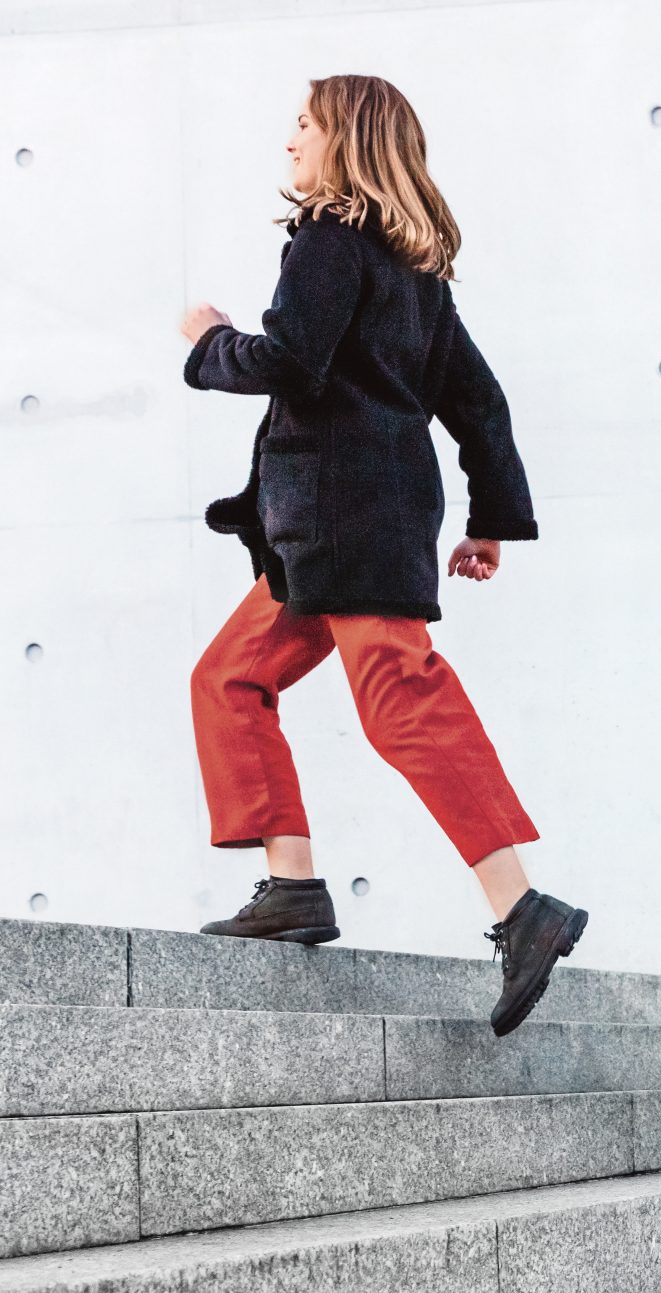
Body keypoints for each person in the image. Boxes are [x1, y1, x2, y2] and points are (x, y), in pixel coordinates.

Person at [179, 75, 584, 1037]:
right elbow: (479, 402)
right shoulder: (416, 277)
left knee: (403, 698)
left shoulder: (330, 243)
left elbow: (286, 361)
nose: (290, 143)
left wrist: (209, 344)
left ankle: (522, 906)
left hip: (340, 519)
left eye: (305, 126)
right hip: (332, 531)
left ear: (346, 142)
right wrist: (490, 516)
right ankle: (292, 887)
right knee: (228, 679)